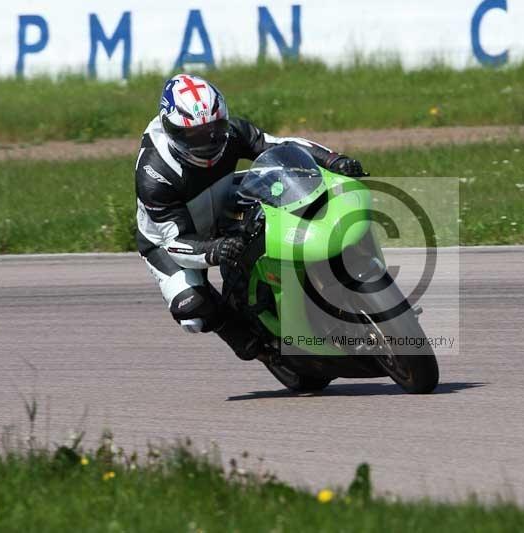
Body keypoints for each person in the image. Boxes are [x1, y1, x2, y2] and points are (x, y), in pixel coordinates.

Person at [135, 73, 366, 360]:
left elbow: (280, 146)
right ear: (172, 131)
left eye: (214, 129)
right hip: (172, 239)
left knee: (283, 188)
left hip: (221, 198)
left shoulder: (232, 132)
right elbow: (175, 244)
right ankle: (255, 345)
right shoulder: (155, 176)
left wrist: (333, 160)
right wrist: (214, 249)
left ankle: (318, 269)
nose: (208, 141)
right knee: (193, 308)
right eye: (194, 136)